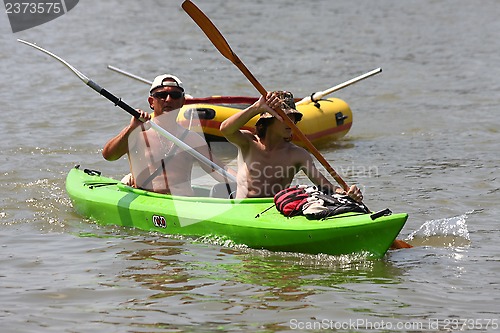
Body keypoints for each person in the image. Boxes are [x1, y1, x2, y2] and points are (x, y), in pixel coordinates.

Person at [102, 74, 235, 196]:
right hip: (148, 200)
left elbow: (220, 170)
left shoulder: (192, 138)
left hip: (183, 202)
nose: (168, 99)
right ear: (151, 102)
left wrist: (248, 183)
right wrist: (131, 129)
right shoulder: (137, 132)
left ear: (182, 101)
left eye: (175, 95)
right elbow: (109, 156)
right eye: (161, 95)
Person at [220, 91, 363, 201]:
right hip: (242, 209)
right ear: (269, 119)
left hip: (271, 211)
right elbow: (225, 129)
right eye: (286, 117)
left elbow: (324, 186)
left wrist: (346, 193)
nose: (292, 122)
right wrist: (256, 107)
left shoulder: (298, 155)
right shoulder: (248, 142)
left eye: (294, 118)